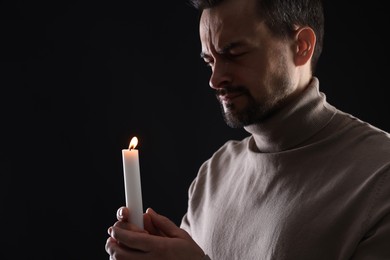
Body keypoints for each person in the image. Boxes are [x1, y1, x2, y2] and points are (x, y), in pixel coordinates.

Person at [106, 0, 390, 258]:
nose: (215, 79)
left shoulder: (380, 173)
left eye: (234, 54)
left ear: (301, 46)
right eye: (210, 61)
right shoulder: (214, 174)